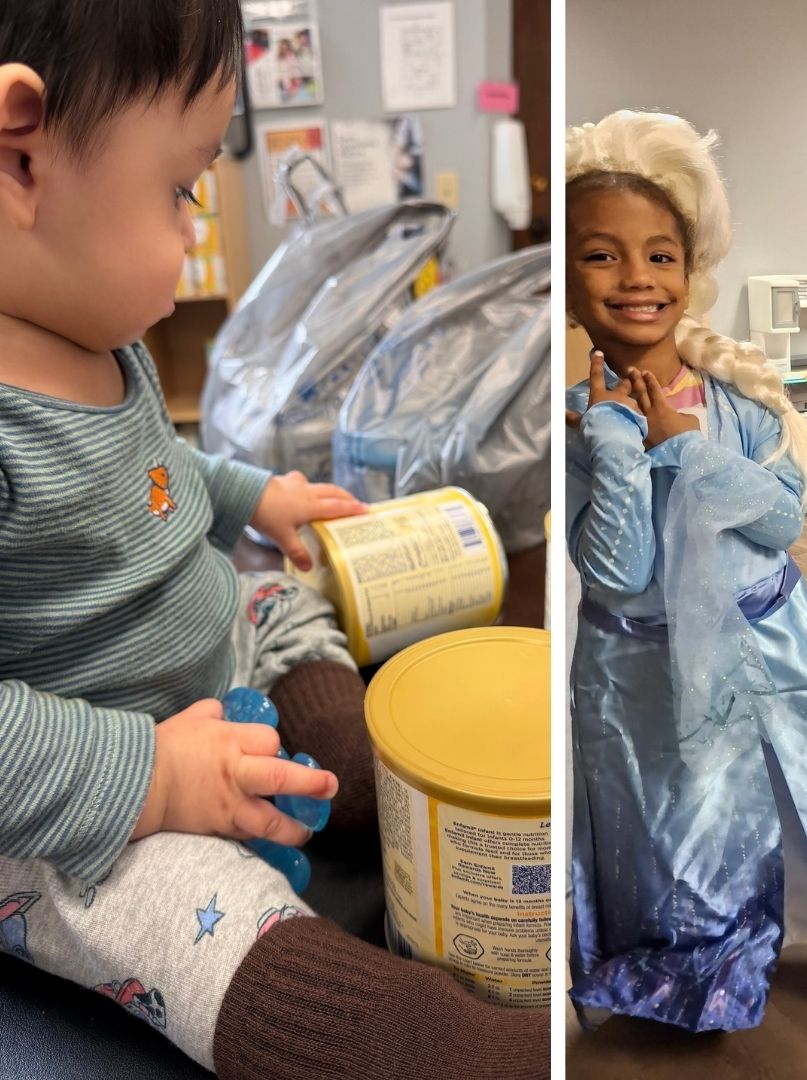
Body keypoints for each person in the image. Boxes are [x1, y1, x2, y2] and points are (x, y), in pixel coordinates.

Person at [0, 2, 547, 1075]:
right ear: (20, 159)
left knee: (278, 594)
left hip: (205, 656)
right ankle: (435, 1043)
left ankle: (345, 770)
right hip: (81, 795)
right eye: (178, 190)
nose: (195, 223)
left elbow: (159, 473)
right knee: (197, 923)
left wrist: (256, 499)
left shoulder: (99, 342)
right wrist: (150, 775)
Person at [564, 109, 807, 1033]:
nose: (637, 279)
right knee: (687, 834)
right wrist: (618, 443)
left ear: (691, 270)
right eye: (602, 255)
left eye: (660, 255)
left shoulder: (733, 404)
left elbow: (780, 520)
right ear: (565, 274)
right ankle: (700, 968)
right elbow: (617, 573)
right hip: (647, 679)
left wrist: (686, 447)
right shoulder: (575, 426)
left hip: (772, 644)